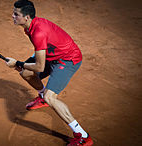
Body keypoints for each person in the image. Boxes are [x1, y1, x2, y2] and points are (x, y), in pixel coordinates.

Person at [6, 0, 93, 145]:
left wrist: (18, 63)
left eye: (16, 14)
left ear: (27, 17)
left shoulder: (38, 32)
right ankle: (41, 97)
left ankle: (83, 136)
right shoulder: (29, 26)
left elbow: (39, 67)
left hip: (68, 60)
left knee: (50, 97)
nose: (12, 16)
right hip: (52, 57)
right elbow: (41, 53)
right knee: (25, 73)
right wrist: (22, 66)